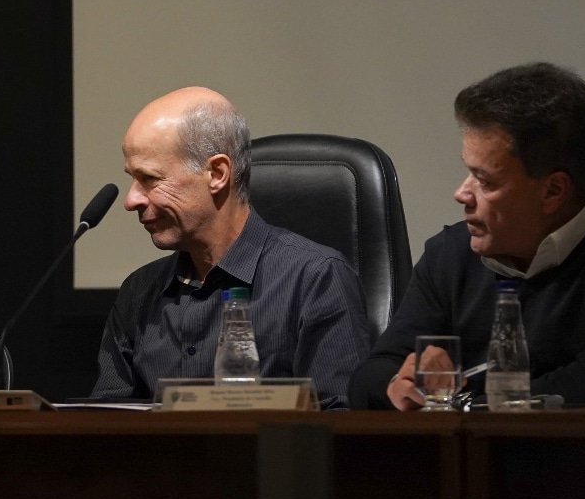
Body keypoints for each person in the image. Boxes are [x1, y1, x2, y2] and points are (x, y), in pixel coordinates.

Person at [349, 62, 585, 409]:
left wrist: (466, 404)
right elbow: (370, 377)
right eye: (467, 173)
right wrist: (399, 383)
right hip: (466, 460)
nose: (461, 193)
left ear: (553, 191)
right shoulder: (450, 254)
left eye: (484, 180)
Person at [90, 86, 373, 408]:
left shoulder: (316, 280)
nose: (130, 200)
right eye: (132, 178)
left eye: (150, 179)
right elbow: (108, 421)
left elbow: (342, 424)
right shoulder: (139, 292)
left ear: (217, 174)